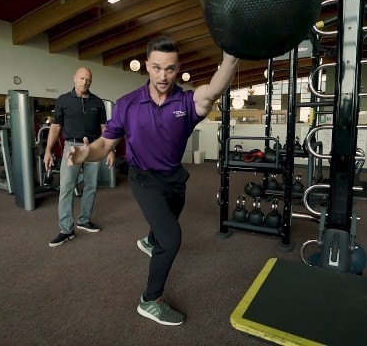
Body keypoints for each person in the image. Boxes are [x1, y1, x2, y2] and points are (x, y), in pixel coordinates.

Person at [66, 36, 238, 325]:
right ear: (147, 66)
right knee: (171, 239)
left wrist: (231, 57)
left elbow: (212, 91)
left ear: (178, 67)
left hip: (175, 178)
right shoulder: (127, 104)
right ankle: (150, 299)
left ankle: (150, 240)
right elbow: (104, 146)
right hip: (144, 178)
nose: (163, 76)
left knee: (164, 225)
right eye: (157, 68)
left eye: (170, 69)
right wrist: (85, 153)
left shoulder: (185, 101)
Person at [44, 66, 115, 248]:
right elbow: (56, 127)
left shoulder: (97, 102)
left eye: (88, 80)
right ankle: (66, 230)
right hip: (71, 147)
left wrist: (110, 150)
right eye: (82, 78)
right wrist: (48, 150)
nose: (85, 82)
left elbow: (104, 129)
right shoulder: (63, 100)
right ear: (74, 78)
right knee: (66, 188)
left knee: (91, 186)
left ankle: (84, 220)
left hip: (93, 147)